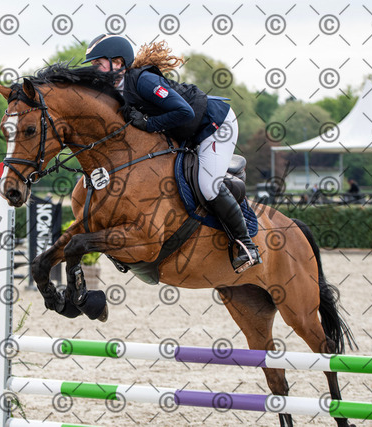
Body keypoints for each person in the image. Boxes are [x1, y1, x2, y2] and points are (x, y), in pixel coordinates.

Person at [82, 34, 261, 273]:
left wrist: (148, 124)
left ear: (118, 62)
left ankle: (246, 245)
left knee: (208, 186)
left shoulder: (144, 81)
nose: (94, 70)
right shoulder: (115, 91)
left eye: (98, 63)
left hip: (215, 125)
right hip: (186, 130)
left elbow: (184, 112)